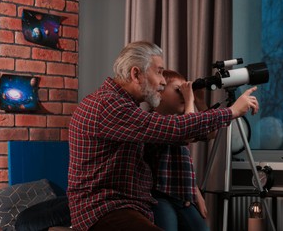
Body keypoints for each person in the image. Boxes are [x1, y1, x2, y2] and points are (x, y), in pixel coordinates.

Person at [67, 41, 259, 230]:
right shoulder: (109, 105)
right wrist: (231, 112)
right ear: (136, 74)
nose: (163, 80)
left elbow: (187, 133)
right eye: (159, 71)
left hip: (130, 205)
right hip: (103, 208)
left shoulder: (122, 105)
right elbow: (175, 129)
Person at [144, 70, 212, 231]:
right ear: (159, 93)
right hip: (159, 196)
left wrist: (200, 102)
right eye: (178, 90)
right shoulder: (153, 121)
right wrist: (189, 99)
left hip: (183, 196)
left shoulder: (180, 121)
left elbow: (210, 133)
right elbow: (188, 131)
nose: (184, 94)